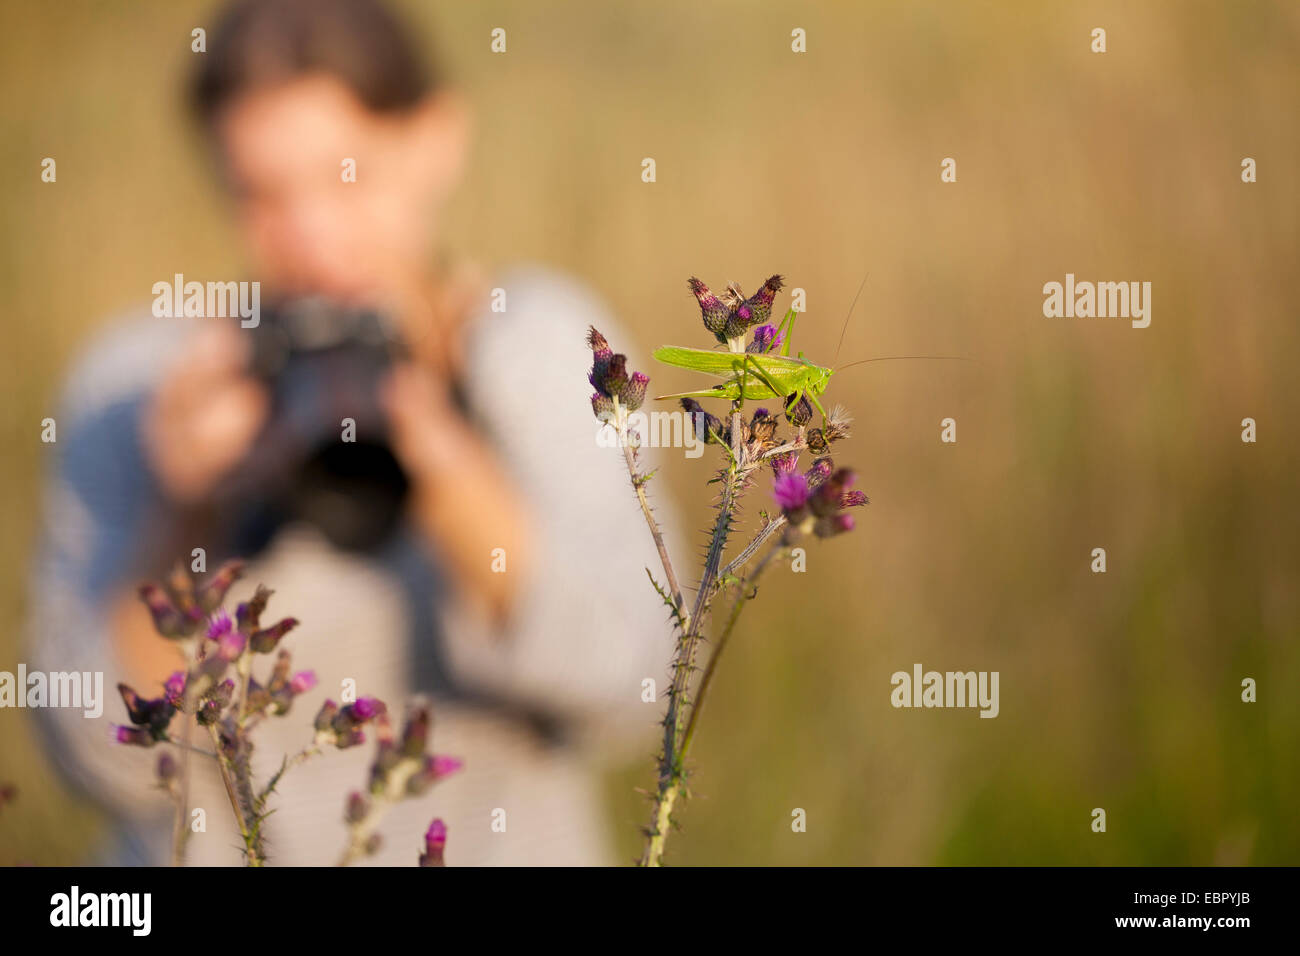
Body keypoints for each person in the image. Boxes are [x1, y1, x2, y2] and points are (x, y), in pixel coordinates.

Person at [27, 0, 677, 866]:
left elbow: (636, 690)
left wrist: (453, 474)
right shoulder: (138, 388)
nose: (313, 238)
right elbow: (88, 759)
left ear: (436, 140)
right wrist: (184, 520)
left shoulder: (537, 349)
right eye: (260, 194)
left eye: (348, 177)